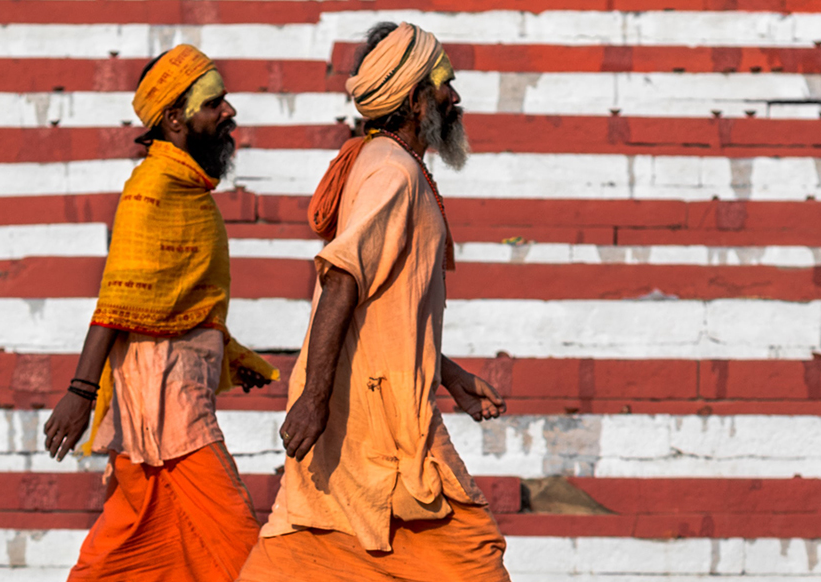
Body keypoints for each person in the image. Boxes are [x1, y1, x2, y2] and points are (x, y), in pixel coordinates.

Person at [235, 22, 512, 581]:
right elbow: (342, 279)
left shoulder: (388, 164)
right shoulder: (392, 172)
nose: (454, 97)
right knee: (474, 563)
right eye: (444, 85)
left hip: (373, 407)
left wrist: (448, 373)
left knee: (313, 546)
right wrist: (314, 398)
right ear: (415, 100)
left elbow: (388, 311)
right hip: (381, 422)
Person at [43, 44, 278, 582]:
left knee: (128, 544)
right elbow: (119, 298)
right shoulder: (151, 188)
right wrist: (80, 392)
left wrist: (232, 354)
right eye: (214, 103)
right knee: (240, 544)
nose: (229, 112)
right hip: (163, 404)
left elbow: (181, 299)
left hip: (169, 393)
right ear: (174, 119)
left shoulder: (189, 190)